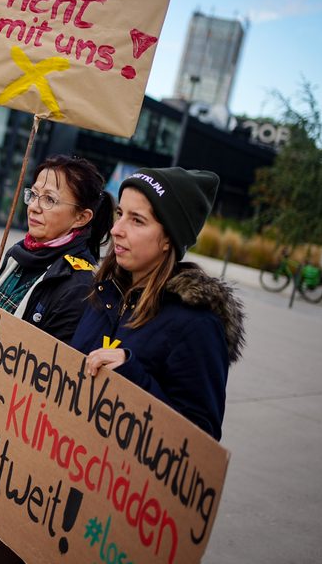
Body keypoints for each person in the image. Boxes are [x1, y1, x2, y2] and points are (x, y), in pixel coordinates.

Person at [0, 155, 114, 564]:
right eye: (34, 194)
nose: (34, 205)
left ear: (82, 217)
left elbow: (54, 382)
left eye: (50, 199)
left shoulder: (80, 283)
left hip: (19, 455)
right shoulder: (19, 257)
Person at [71, 167, 245, 441]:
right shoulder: (104, 292)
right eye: (120, 214)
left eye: (137, 220)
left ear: (168, 238)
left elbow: (201, 440)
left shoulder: (196, 324)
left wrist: (131, 375)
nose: (116, 230)